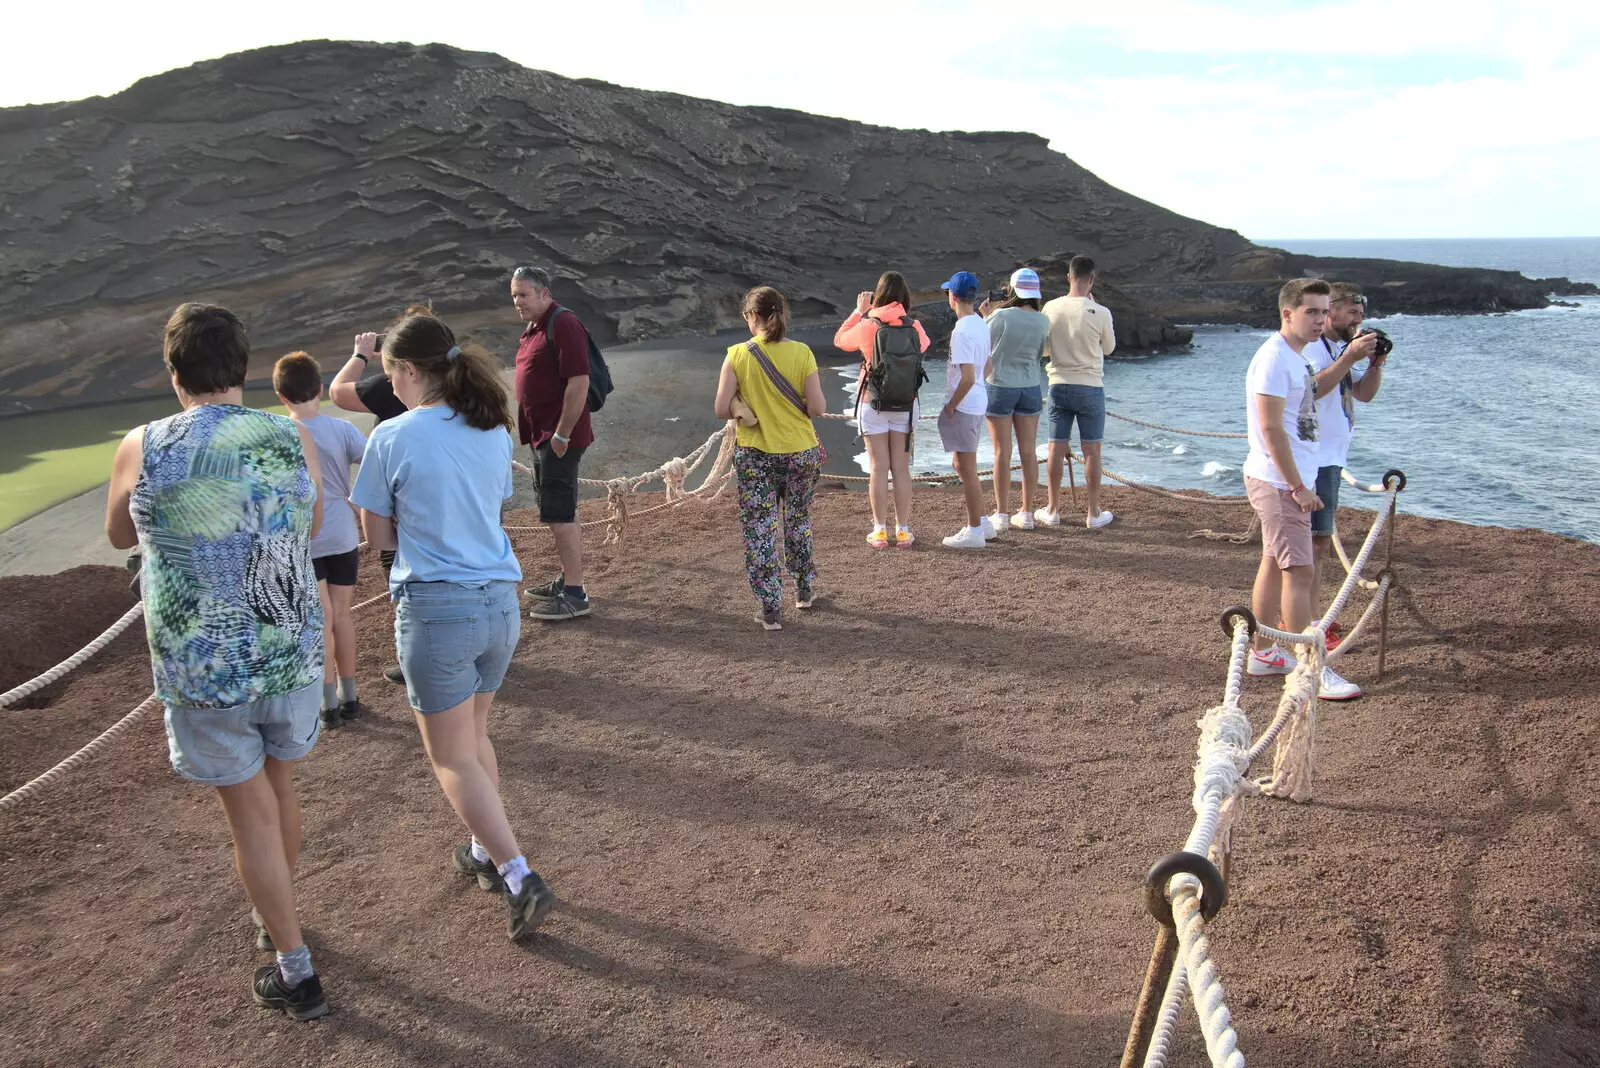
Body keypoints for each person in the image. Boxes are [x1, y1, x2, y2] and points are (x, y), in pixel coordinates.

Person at [104, 303, 330, 1020]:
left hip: (207, 667)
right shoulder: (291, 436)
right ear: (244, 367)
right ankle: (277, 915)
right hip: (286, 648)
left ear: (175, 375)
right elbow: (313, 519)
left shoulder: (143, 443)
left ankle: (295, 969)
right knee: (280, 791)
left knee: (248, 815)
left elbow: (116, 534)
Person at [349, 312, 556, 940]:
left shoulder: (393, 436)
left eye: (391, 376)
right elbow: (491, 506)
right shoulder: (492, 429)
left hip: (438, 607)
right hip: (500, 600)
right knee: (474, 736)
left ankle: (519, 875)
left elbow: (376, 532)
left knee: (448, 757)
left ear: (408, 371)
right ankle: (481, 851)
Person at [1241, 278, 1367, 702]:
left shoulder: (1296, 359)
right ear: (1287, 314)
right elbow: (1271, 426)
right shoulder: (1274, 359)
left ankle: (1263, 653)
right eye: (1311, 311)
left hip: (1288, 478)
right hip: (1280, 482)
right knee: (1301, 571)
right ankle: (1311, 669)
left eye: (1324, 310)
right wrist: (1297, 486)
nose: (1321, 319)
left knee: (1275, 562)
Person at [712, 287, 828, 628]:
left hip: (755, 455)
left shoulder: (736, 354)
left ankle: (770, 607)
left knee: (760, 530)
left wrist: (741, 406)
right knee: (798, 521)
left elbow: (721, 407)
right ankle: (804, 590)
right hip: (800, 452)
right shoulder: (802, 352)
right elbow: (818, 408)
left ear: (752, 316)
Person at [331, 304, 426, 686]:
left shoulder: (387, 392)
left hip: (398, 494)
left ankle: (415, 654)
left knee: (399, 572)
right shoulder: (463, 391)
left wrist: (360, 355)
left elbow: (337, 392)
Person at [274, 351, 368, 730]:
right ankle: (351, 696)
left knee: (320, 618)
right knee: (342, 616)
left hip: (302, 538)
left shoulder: (278, 434)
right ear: (319, 387)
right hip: (342, 531)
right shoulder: (341, 429)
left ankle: (327, 704)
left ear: (281, 395)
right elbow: (373, 462)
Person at [1306, 282, 1386, 687]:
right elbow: (1314, 387)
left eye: (1361, 310)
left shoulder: (1338, 350)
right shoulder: (1316, 348)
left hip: (1331, 458)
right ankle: (1306, 627)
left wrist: (1374, 363)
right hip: (1315, 460)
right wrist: (1351, 354)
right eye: (1352, 311)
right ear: (1329, 311)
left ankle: (1306, 621)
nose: (1359, 318)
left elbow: (1363, 395)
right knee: (1311, 549)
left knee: (1316, 547)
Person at [511, 266, 594, 620]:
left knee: (560, 514)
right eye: (514, 295)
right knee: (560, 510)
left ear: (544, 293)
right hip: (544, 435)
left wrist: (561, 435)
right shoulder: (537, 327)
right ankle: (568, 579)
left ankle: (575, 594)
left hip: (558, 437)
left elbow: (579, 381)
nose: (517, 302)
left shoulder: (563, 324)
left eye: (524, 295)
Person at [834, 271, 931, 548]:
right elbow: (924, 347)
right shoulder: (915, 327)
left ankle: (879, 531)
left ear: (878, 295)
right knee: (901, 469)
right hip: (906, 404)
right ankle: (903, 531)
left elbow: (840, 340)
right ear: (905, 297)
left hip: (871, 402)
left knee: (878, 468)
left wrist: (859, 311)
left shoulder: (868, 325)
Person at [1037, 256, 1116, 529]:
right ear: (1092, 279)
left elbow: (1044, 349)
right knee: (1092, 451)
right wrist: (1092, 307)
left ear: (1068, 277)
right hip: (1091, 387)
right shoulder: (1101, 312)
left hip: (1058, 384)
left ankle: (1052, 509)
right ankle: (1093, 513)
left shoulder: (1051, 308)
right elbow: (1109, 348)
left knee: (1055, 449)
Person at [980, 268, 1050, 533]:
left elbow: (984, 343)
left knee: (1002, 453)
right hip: (1031, 386)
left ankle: (1001, 513)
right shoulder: (1043, 320)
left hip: (1000, 386)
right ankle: (1027, 512)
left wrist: (986, 314)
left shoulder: (1000, 315)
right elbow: (1041, 352)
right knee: (1029, 452)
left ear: (1011, 290)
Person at [935, 271, 991, 550]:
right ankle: (982, 521)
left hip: (967, 403)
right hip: (978, 400)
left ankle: (975, 530)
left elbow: (967, 377)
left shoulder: (961, 331)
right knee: (962, 464)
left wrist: (952, 405)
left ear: (953, 297)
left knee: (966, 468)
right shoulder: (980, 324)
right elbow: (987, 367)